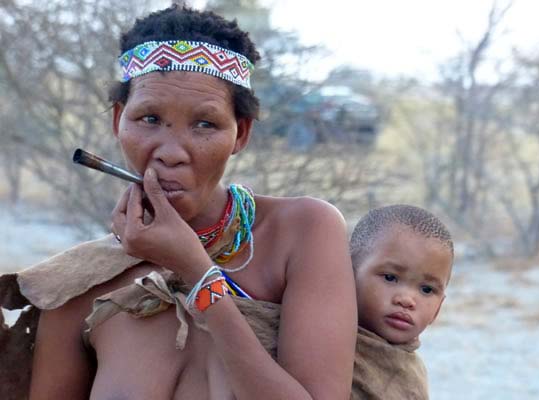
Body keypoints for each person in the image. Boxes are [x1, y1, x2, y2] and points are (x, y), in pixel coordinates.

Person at [4, 5, 357, 399]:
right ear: (118, 119)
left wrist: (195, 270)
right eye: (150, 119)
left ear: (240, 134)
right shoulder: (77, 285)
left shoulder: (303, 232)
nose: (171, 152)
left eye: (205, 124)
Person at [349, 204, 454, 399]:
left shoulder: (412, 374)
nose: (406, 300)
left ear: (438, 309)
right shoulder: (325, 339)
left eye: (426, 289)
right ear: (349, 274)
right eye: (390, 277)